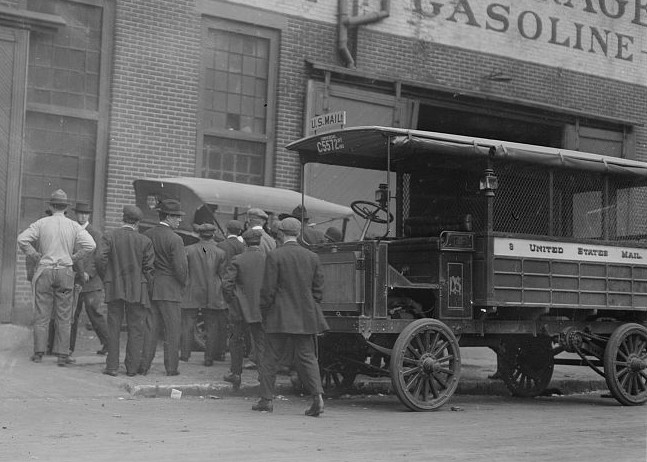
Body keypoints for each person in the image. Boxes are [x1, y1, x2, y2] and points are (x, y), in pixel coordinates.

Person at [253, 217, 328, 417]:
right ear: (298, 234)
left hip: (279, 316)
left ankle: (266, 400)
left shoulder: (275, 256)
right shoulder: (312, 257)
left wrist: (264, 309)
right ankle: (317, 397)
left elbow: (268, 290)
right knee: (307, 358)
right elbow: (318, 291)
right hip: (304, 316)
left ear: (280, 233)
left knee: (270, 358)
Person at [17, 189, 96, 366]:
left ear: (51, 206)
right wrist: (74, 257)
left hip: (44, 270)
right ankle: (62, 355)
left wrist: (36, 255)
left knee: (42, 312)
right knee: (64, 314)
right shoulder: (73, 226)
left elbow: (22, 239)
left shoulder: (41, 223)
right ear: (65, 208)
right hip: (65, 271)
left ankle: (38, 353)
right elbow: (91, 245)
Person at [98, 205, 155, 377]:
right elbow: (149, 269)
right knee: (136, 329)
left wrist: (106, 277)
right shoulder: (145, 241)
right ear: (137, 222)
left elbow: (100, 258)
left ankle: (112, 367)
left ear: (122, 219)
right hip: (138, 290)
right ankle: (131, 368)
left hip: (114, 287)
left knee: (113, 326)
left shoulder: (109, 236)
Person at [141, 199, 188, 376]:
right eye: (177, 217)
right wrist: (182, 284)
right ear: (168, 217)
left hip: (152, 287)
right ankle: (171, 368)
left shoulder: (148, 234)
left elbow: (144, 262)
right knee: (172, 331)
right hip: (171, 290)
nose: (179, 220)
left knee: (150, 329)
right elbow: (181, 268)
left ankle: (144, 366)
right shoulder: (175, 239)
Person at [222, 228, 266, 389]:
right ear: (259, 242)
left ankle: (236, 374)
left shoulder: (238, 259)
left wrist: (231, 301)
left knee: (235, 340)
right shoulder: (266, 258)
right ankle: (263, 376)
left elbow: (227, 284)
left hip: (239, 308)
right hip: (260, 309)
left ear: (245, 243)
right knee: (260, 343)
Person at [180, 223, 227, 366]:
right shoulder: (220, 253)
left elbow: (183, 272)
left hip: (191, 291)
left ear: (199, 234)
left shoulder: (188, 250)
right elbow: (222, 275)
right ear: (213, 235)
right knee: (211, 326)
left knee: (187, 324)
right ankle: (208, 358)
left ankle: (185, 355)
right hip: (212, 293)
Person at [69, 201, 109, 356]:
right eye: (79, 213)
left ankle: (108, 344)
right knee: (73, 314)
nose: (82, 216)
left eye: (85, 213)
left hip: (91, 282)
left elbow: (99, 257)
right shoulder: (72, 231)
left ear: (89, 215)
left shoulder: (96, 233)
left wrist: (89, 273)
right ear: (76, 214)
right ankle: (69, 347)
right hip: (76, 278)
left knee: (94, 314)